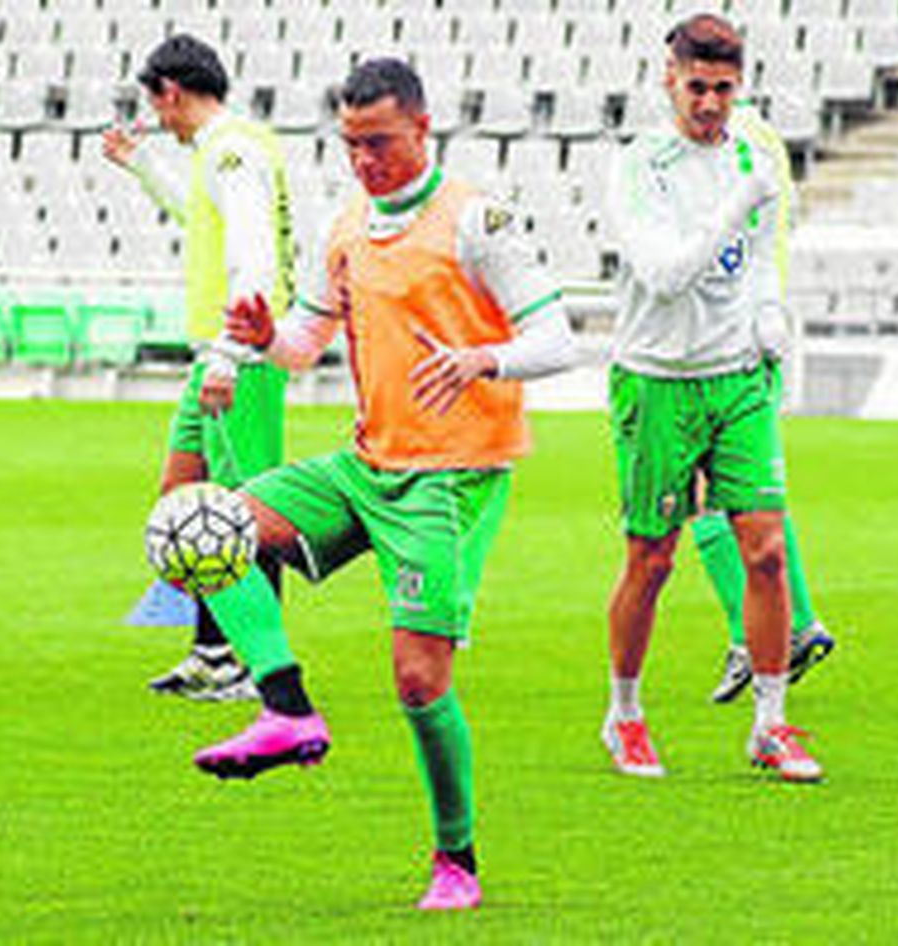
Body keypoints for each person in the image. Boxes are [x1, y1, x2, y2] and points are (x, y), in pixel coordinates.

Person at [194, 59, 576, 910]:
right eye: (351, 145)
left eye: (380, 144)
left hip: (449, 479)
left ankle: (457, 862)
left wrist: (487, 357)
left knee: (418, 682)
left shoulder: (477, 220)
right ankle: (287, 708)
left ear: (423, 129)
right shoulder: (349, 225)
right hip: (367, 466)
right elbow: (304, 340)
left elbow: (559, 337)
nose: (365, 161)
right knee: (204, 526)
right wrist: (262, 338)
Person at [600, 13, 821, 782]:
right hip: (657, 376)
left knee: (764, 548)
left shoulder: (750, 156)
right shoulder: (640, 166)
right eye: (697, 86)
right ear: (671, 77)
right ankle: (624, 713)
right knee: (652, 558)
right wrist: (737, 204)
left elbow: (759, 257)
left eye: (724, 89)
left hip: (735, 378)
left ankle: (771, 722)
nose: (710, 103)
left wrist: (766, 316)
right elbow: (664, 273)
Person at [101, 34, 295, 702]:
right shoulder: (226, 149)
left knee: (247, 512)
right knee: (183, 503)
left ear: (171, 92)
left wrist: (231, 355)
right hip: (214, 354)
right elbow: (204, 220)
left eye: (155, 104)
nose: (156, 117)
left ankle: (256, 665)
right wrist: (143, 168)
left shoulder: (235, 150)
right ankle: (214, 652)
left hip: (238, 357)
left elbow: (254, 257)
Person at [696, 100, 835, 704]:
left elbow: (728, 240)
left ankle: (760, 634)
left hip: (731, 338)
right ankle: (788, 624)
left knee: (713, 496)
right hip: (759, 327)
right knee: (744, 495)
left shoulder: (729, 140)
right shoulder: (764, 136)